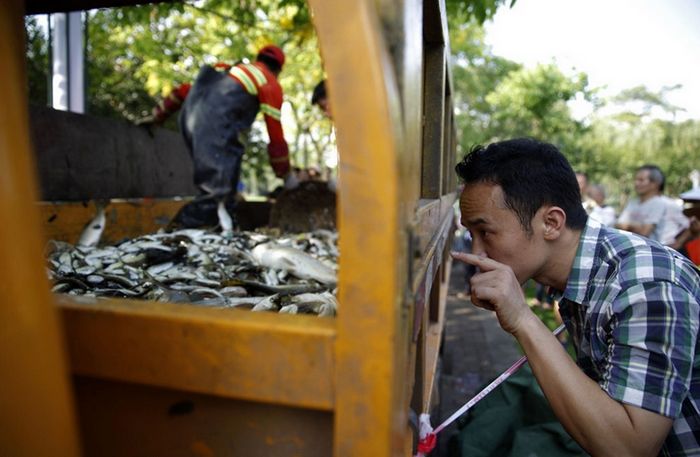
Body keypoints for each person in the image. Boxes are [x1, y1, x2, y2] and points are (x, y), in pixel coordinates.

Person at [452, 138, 700, 456]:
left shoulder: (644, 285)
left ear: (551, 223)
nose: (476, 252)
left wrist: (523, 319)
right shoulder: (585, 271)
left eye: (485, 232)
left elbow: (629, 449)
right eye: (471, 235)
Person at [138, 45, 296, 231]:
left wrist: (158, 116)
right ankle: (172, 236)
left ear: (258, 58)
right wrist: (285, 173)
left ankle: (223, 229)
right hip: (216, 126)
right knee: (215, 198)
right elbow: (275, 133)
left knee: (224, 194)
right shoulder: (267, 80)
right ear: (278, 69)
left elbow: (183, 91)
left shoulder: (230, 72)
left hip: (190, 123)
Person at [615, 164, 668, 242]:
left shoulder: (658, 203)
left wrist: (628, 225)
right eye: (635, 179)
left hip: (649, 251)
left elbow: (645, 232)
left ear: (655, 183)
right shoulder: (632, 202)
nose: (636, 183)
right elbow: (618, 225)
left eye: (641, 180)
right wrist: (636, 227)